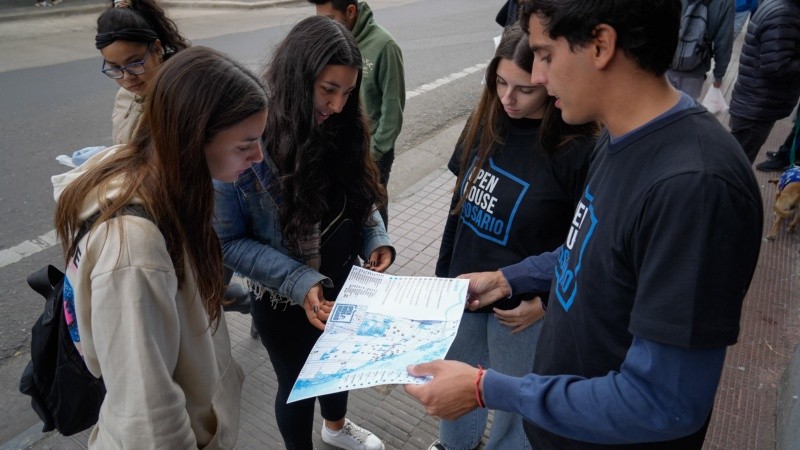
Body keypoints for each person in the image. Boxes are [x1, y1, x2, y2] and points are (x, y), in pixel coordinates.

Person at [405, 1, 763, 449]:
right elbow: (593, 247)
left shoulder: (695, 188)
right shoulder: (616, 137)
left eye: (546, 55)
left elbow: (662, 401)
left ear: (600, 45)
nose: (536, 76)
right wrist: (507, 278)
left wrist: (486, 388)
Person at [52, 46, 263, 448]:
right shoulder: (134, 249)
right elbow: (148, 418)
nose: (258, 156)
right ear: (192, 137)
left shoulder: (150, 179)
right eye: (244, 144)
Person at [213, 16, 393, 450]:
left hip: (345, 278)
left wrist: (376, 239)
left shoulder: (345, 125)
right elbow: (227, 242)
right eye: (327, 89)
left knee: (338, 364)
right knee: (297, 384)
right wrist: (299, 281)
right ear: (298, 78)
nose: (336, 104)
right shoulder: (248, 137)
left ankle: (335, 429)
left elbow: (361, 198)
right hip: (283, 295)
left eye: (347, 92)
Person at [429, 24, 597, 450]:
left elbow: (585, 244)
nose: (508, 99)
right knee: (456, 392)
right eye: (500, 83)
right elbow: (459, 207)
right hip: (463, 295)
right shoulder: (485, 120)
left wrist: (545, 304)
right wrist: (441, 278)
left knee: (514, 410)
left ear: (547, 82)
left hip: (520, 312)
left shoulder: (576, 149)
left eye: (523, 89)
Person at [309, 0, 405, 229]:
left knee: (373, 206)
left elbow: (393, 110)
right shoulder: (328, 43)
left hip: (372, 150)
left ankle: (375, 260)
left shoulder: (385, 46)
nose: (325, 26)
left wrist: (374, 153)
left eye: (330, 19)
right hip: (340, 145)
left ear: (351, 11)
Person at [95, 0, 190, 146]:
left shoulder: (184, 97)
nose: (127, 77)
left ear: (157, 49)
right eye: (114, 67)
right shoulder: (125, 96)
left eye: (134, 63)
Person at [729, 0, 800, 165]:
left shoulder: (781, 7)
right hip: (757, 105)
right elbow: (776, 67)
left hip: (756, 102)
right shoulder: (785, 14)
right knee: (737, 166)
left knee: (737, 160)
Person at [666, 0, 734, 100]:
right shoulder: (724, 2)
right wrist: (718, 75)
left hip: (664, 64)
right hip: (695, 69)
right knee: (686, 111)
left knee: (659, 111)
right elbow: (724, 41)